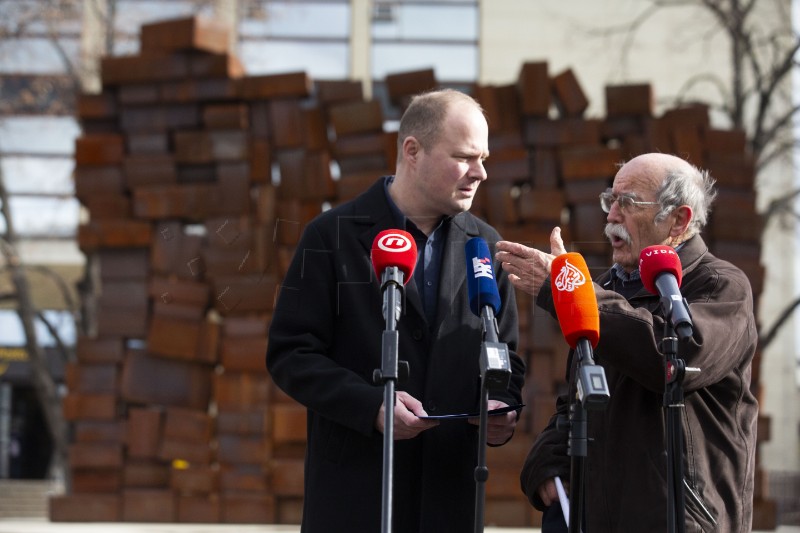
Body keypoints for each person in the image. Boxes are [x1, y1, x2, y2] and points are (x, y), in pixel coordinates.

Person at [266, 88, 526, 532]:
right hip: (355, 499)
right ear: (412, 151)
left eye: (483, 158)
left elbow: (506, 355)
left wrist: (503, 405)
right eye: (465, 157)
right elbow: (291, 355)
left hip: (450, 500)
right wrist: (372, 406)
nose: (480, 173)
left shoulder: (483, 244)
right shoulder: (332, 236)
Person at [495, 153, 758, 532]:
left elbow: (671, 360)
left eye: (628, 203)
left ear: (678, 220)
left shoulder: (720, 285)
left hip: (679, 520)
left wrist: (571, 292)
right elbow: (576, 401)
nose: (611, 216)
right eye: (610, 200)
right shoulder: (607, 290)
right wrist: (548, 467)